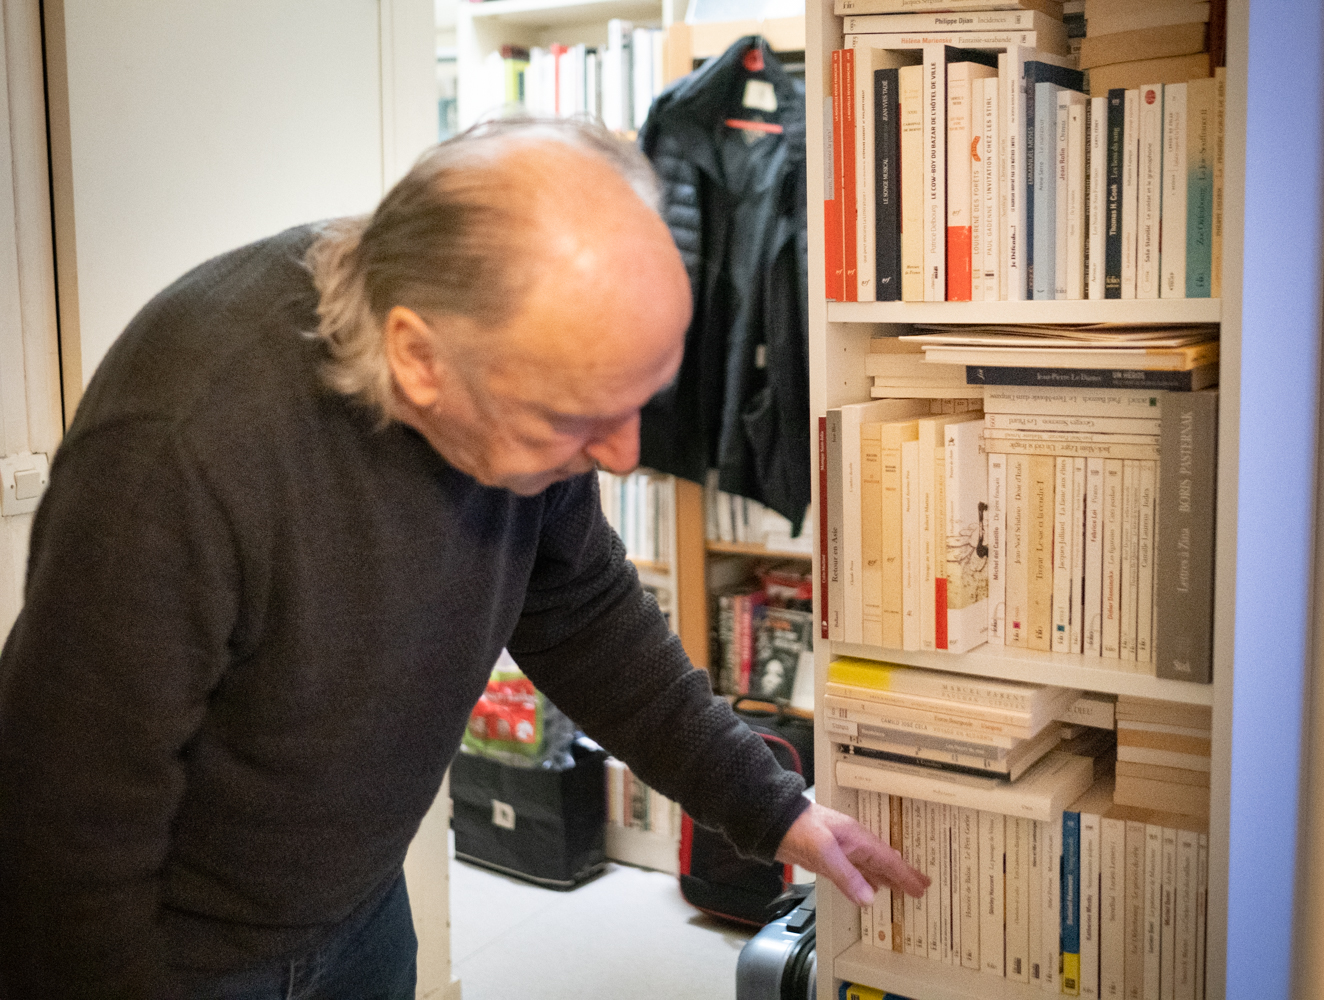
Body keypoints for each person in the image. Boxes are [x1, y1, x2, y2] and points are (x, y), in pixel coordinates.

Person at [0, 118, 926, 999]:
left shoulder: (520, 365)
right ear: (419, 359)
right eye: (581, 418)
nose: (623, 453)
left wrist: (773, 809)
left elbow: (584, 611)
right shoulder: (179, 449)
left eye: (642, 399)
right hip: (177, 956)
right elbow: (65, 832)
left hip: (359, 911)